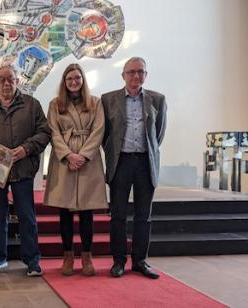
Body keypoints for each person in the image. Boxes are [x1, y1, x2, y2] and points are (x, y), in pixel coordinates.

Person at [0, 65, 51, 276]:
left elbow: (44, 132)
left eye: (11, 79)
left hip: (23, 168)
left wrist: (26, 149)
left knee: (27, 216)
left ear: (18, 81)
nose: (7, 84)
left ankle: (32, 260)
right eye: (2, 80)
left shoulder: (32, 105)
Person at [101, 57, 167, 279]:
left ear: (146, 75)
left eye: (140, 72)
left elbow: (158, 135)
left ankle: (140, 261)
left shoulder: (158, 100)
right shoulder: (108, 99)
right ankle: (118, 261)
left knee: (143, 216)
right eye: (131, 72)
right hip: (121, 163)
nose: (136, 76)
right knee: (118, 215)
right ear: (123, 75)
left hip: (145, 163)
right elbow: (106, 135)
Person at [43, 64, 108, 276]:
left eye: (77, 78)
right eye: (70, 78)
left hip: (88, 160)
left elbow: (99, 130)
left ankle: (87, 257)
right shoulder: (55, 104)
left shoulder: (95, 102)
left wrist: (83, 155)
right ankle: (68, 256)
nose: (74, 81)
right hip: (64, 161)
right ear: (64, 81)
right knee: (65, 211)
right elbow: (53, 132)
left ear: (83, 80)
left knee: (87, 211)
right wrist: (69, 155)